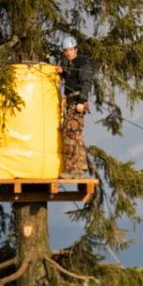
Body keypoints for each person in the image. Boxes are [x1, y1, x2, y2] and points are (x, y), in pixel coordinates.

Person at [55, 36, 93, 179]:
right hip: (71, 101)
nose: (68, 53)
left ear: (75, 49)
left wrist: (82, 101)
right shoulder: (70, 64)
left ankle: (74, 169)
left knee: (72, 132)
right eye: (66, 50)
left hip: (78, 101)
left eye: (70, 50)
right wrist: (62, 72)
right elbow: (71, 77)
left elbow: (87, 82)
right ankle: (78, 167)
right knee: (74, 134)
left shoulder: (82, 63)